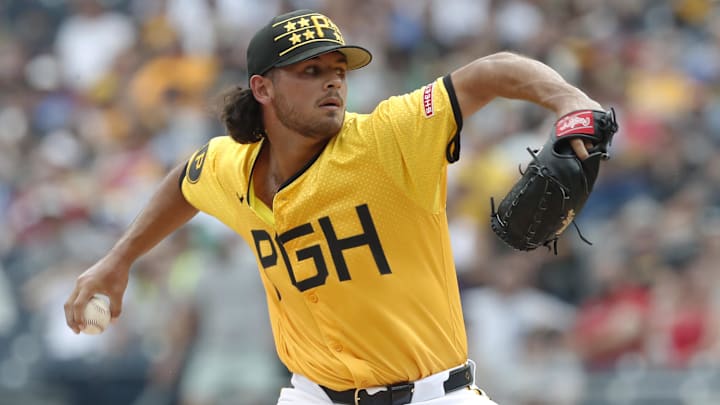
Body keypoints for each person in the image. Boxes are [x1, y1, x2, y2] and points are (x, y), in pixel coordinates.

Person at [64, 9, 603, 405]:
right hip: (312, 395)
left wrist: (568, 101)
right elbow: (186, 179)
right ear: (263, 88)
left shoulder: (390, 138)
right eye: (310, 71)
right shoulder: (234, 166)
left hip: (434, 396)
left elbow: (491, 71)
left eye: (339, 70)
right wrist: (119, 259)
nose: (333, 81)